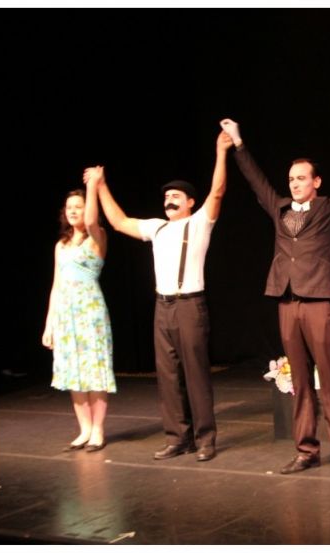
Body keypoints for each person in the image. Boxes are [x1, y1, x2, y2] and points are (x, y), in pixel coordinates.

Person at [220, 116, 330, 478]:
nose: (294, 183)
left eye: (301, 178)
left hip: (320, 301)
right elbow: (255, 181)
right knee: (299, 381)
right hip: (288, 301)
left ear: (316, 182)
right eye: (291, 178)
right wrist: (238, 143)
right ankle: (306, 450)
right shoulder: (278, 208)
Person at [85, 130, 233, 462]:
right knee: (167, 377)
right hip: (162, 308)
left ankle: (205, 438)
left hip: (190, 306)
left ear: (190, 202)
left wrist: (221, 153)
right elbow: (120, 222)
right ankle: (178, 437)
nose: (170, 199)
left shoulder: (199, 224)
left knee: (195, 375)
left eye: (177, 196)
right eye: (167, 196)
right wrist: (101, 186)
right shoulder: (157, 227)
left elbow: (218, 191)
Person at [42, 183, 115, 452]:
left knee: (94, 370)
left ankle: (98, 429)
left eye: (79, 207)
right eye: (70, 207)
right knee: (73, 372)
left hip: (90, 312)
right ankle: (84, 429)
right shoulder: (60, 245)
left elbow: (93, 220)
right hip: (65, 313)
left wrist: (93, 187)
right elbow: (56, 285)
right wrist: (49, 323)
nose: (73, 211)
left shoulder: (97, 237)